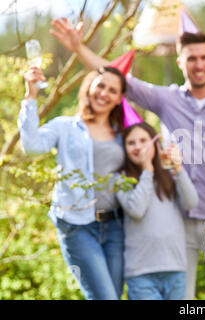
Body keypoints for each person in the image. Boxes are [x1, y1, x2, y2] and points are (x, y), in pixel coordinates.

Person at [50, 18, 205, 299]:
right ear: (180, 62)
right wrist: (79, 48)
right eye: (191, 59)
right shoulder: (167, 99)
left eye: (204, 58)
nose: (198, 65)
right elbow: (118, 79)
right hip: (180, 218)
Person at [18, 66, 128, 299]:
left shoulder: (122, 134)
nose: (104, 93)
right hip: (77, 226)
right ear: (88, 87)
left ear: (119, 99)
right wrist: (30, 96)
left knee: (114, 296)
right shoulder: (65, 126)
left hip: (116, 226)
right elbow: (32, 146)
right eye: (100, 85)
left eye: (112, 90)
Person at [116, 122, 198, 300]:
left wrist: (178, 169)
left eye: (143, 140)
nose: (138, 147)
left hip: (175, 269)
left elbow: (191, 202)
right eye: (131, 143)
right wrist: (147, 170)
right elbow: (136, 210)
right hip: (141, 272)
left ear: (155, 143)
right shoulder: (121, 179)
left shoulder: (168, 176)